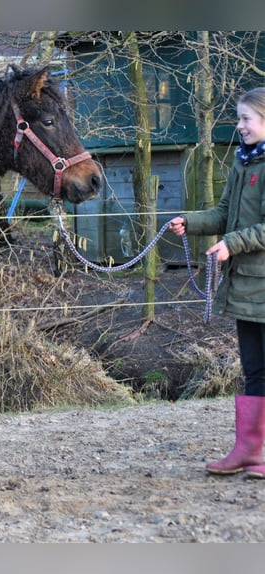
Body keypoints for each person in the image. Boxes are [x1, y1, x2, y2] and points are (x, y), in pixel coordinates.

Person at [169, 86, 265, 477]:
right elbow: (225, 212)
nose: (238, 125)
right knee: (255, 371)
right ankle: (250, 450)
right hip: (246, 285)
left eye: (246, 118)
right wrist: (190, 223)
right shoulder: (244, 162)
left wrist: (231, 243)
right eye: (239, 118)